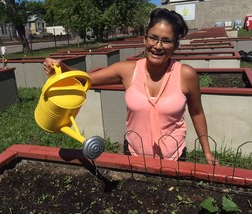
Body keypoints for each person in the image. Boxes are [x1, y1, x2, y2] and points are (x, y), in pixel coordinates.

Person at [43, 8, 219, 165]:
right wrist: (61, 67)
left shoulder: (186, 75)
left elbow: (197, 112)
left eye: (166, 41)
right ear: (144, 39)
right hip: (133, 152)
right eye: (153, 38)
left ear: (175, 46)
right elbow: (85, 80)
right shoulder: (128, 71)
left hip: (174, 156)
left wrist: (207, 152)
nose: (158, 46)